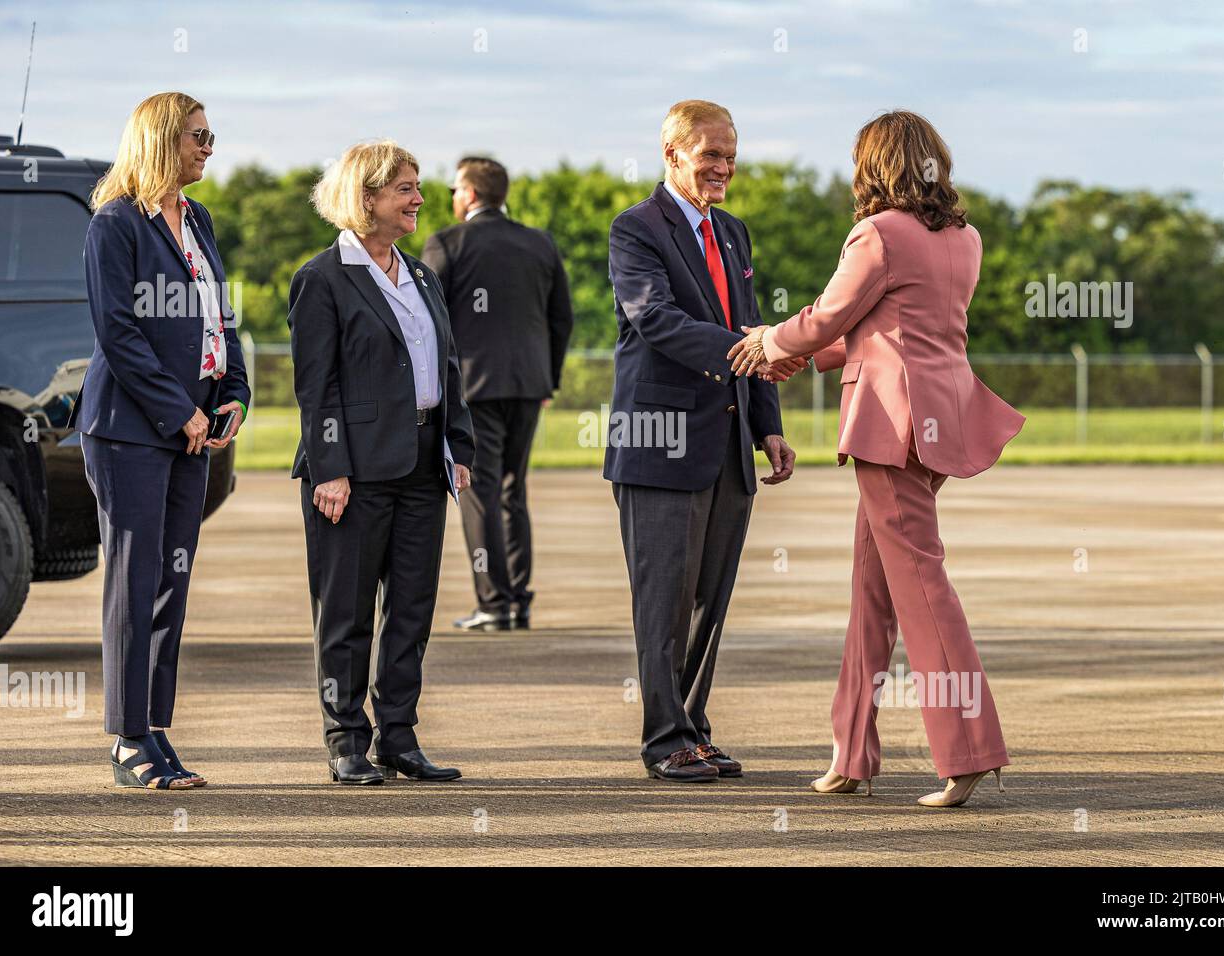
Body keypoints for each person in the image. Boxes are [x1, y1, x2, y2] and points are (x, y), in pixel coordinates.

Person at [729, 110, 1026, 808]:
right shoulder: (964, 237)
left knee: (921, 585)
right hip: (940, 420)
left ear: (875, 165)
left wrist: (772, 341)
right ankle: (852, 753)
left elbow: (834, 314)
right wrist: (801, 354)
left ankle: (970, 748)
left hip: (891, 427)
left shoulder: (878, 234)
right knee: (873, 594)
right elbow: (891, 327)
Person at [606, 100, 801, 782]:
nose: (723, 167)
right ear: (673, 154)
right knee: (664, 597)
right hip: (658, 442)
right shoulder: (636, 230)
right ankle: (664, 739)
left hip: (726, 445)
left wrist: (767, 426)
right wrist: (755, 352)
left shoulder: (735, 232)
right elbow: (653, 319)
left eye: (730, 155)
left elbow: (748, 325)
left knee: (708, 600)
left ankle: (693, 728)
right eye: (710, 154)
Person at [73, 91, 250, 790]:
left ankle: (156, 729)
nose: (210, 147)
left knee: (170, 583)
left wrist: (233, 389)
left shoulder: (197, 219)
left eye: (212, 136)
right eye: (198, 136)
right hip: (129, 432)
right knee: (134, 578)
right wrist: (182, 412)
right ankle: (127, 740)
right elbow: (118, 333)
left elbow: (220, 314)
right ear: (161, 139)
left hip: (193, 431)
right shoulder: (115, 225)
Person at [289, 140, 475, 786]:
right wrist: (330, 465)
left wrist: (459, 445)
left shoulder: (421, 275)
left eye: (418, 186)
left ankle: (399, 735)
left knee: (412, 608)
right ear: (366, 197)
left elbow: (446, 366)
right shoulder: (322, 279)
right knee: (345, 610)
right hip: (355, 469)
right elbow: (317, 387)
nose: (418, 198)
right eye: (405, 188)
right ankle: (346, 738)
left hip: (424, 463)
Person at [423, 157, 574, 632]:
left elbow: (424, 318)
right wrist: (547, 378)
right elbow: (561, 318)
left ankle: (493, 601)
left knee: (477, 490)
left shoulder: (447, 243)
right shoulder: (539, 243)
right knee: (514, 489)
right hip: (528, 384)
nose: (450, 197)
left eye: (454, 188)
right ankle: (518, 600)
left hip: (472, 388)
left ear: (468, 193)